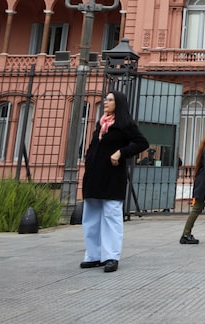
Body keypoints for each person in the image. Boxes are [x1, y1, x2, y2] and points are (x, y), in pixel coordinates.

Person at [80, 90, 149, 273]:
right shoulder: (101, 123)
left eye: (110, 100)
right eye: (105, 99)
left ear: (118, 103)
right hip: (94, 175)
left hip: (112, 176)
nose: (105, 102)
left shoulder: (125, 124)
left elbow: (142, 143)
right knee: (91, 217)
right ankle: (93, 255)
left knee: (111, 216)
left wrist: (121, 152)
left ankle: (111, 256)